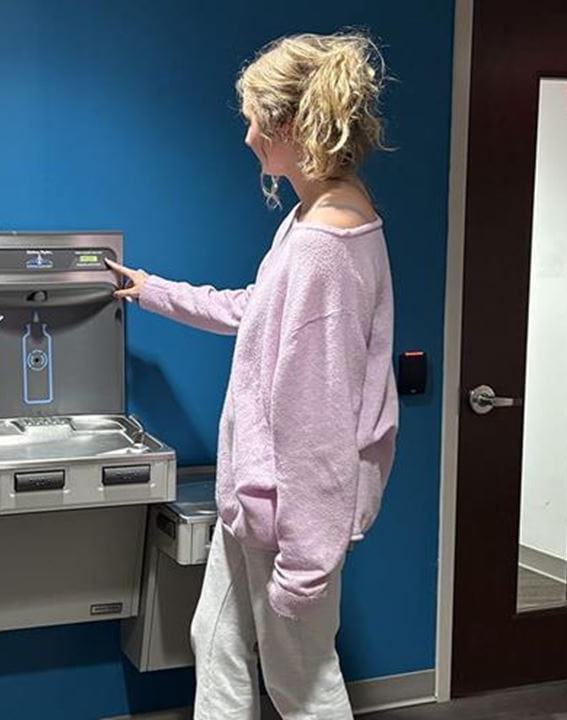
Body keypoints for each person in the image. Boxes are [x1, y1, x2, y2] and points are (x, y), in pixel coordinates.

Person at [108, 33, 398, 719]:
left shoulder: (327, 246)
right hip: (257, 505)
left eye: (252, 120)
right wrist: (151, 288)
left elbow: (319, 421)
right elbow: (255, 311)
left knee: (302, 684)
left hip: (290, 518)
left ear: (291, 126)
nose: (245, 137)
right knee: (216, 640)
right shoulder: (315, 216)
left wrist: (306, 562)